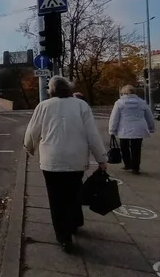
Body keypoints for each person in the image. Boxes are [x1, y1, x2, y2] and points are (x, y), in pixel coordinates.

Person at [24, 76, 107, 253]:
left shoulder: (44, 106)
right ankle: (74, 223)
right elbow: (92, 134)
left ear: (51, 90)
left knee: (56, 199)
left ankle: (63, 237)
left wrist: (29, 148)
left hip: (51, 160)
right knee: (73, 193)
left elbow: (32, 131)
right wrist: (101, 158)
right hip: (75, 160)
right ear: (68, 89)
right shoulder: (81, 105)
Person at [108, 85, 155, 174]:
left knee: (124, 147)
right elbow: (149, 117)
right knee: (136, 149)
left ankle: (127, 164)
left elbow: (114, 118)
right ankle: (135, 167)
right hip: (139, 128)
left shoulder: (119, 103)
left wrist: (112, 130)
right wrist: (151, 128)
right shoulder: (142, 102)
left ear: (123, 93)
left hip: (124, 129)